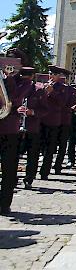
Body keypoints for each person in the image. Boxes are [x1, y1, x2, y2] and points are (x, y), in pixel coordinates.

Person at [0, 59, 33, 215]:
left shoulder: (24, 82)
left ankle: (4, 203)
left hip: (9, 129)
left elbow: (15, 99)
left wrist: (10, 78)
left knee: (9, 168)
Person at [39, 66, 71, 178]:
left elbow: (63, 103)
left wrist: (52, 92)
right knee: (37, 147)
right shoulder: (43, 85)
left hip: (53, 121)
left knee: (50, 148)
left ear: (58, 76)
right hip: (41, 119)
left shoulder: (63, 88)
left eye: (53, 74)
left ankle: (45, 172)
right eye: (50, 73)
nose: (51, 76)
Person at [21, 67, 49, 189]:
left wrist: (32, 112)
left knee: (32, 155)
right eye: (23, 75)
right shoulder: (13, 87)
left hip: (32, 127)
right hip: (14, 127)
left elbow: (44, 110)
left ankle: (29, 179)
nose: (24, 78)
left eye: (27, 76)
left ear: (32, 77)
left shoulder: (38, 90)